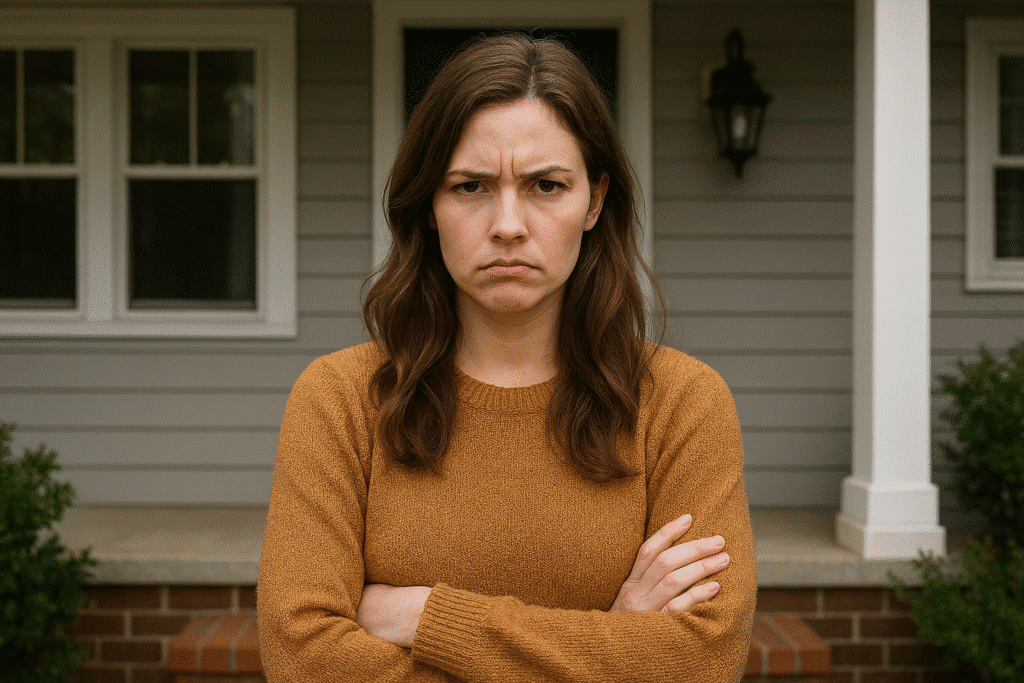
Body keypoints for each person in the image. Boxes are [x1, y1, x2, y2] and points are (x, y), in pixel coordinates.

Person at [257, 33, 756, 682]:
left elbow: (702, 659)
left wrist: (426, 615)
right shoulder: (342, 399)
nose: (509, 224)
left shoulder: (682, 404)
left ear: (595, 200)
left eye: (547, 184)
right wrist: (615, 634)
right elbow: (302, 658)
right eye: (471, 186)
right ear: (430, 206)